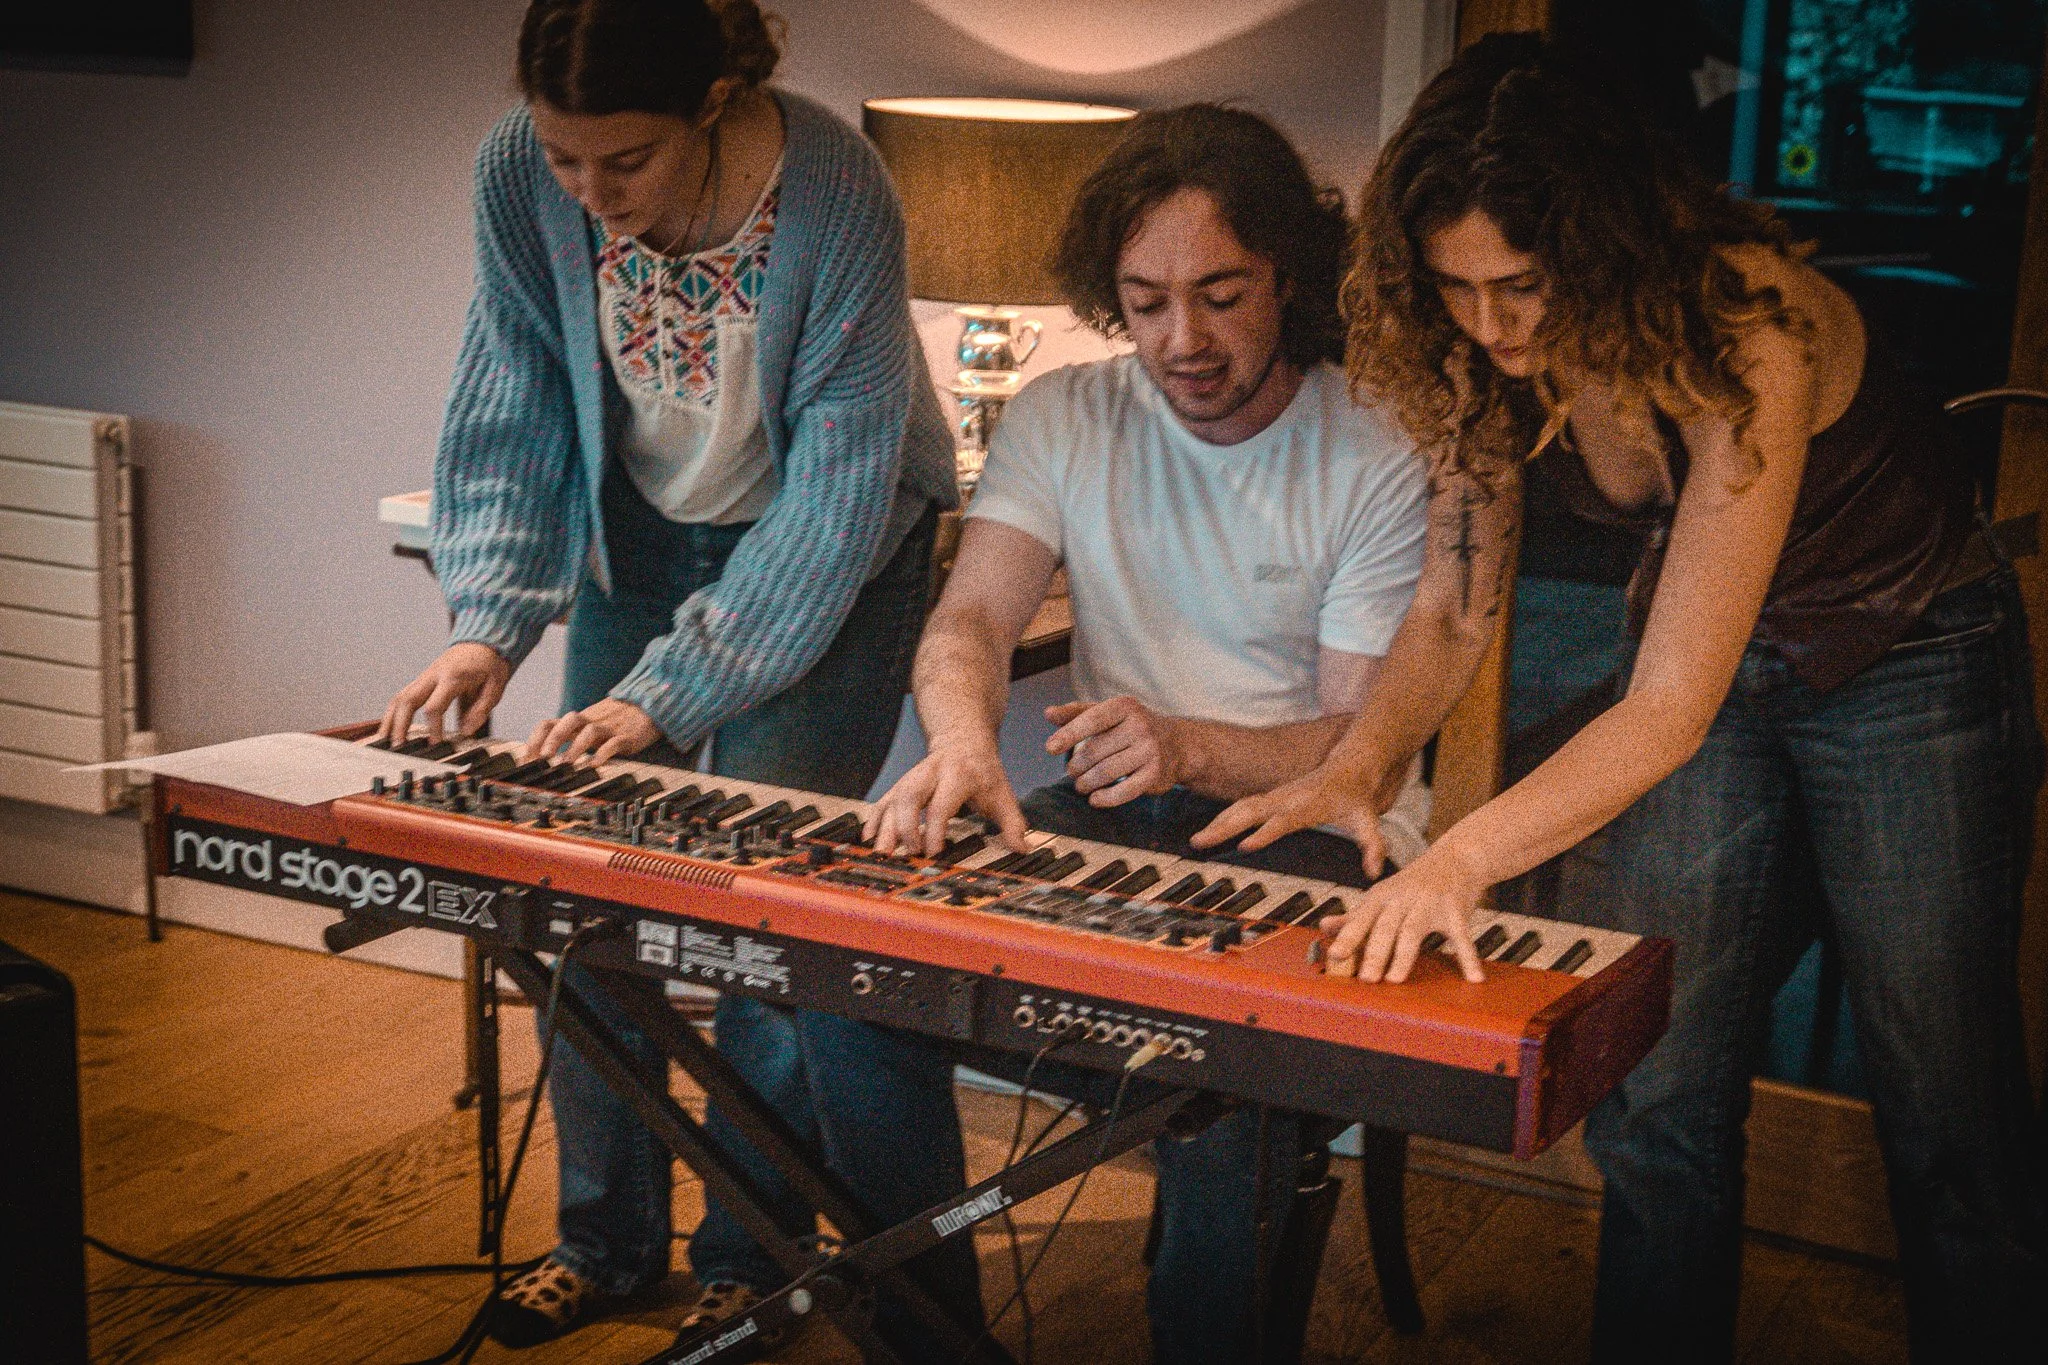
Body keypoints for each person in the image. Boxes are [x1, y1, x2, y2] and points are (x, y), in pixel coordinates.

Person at [1193, 35, 2048, 1360]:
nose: (1490, 325)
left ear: (1604, 245)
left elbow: (1663, 713)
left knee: (1945, 1105)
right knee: (1655, 1081)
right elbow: (1455, 606)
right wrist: (1360, 764)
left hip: (1907, 656)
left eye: (1522, 286)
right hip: (1706, 662)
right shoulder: (1471, 352)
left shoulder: (1746, 327)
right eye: (1455, 286)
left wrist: (1458, 861)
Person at [374, 0, 979, 1354]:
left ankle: (751, 1255)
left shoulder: (836, 191)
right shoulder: (518, 174)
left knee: (754, 912)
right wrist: (490, 623)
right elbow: (515, 390)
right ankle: (604, 1241)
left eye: (627, 160)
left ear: (713, 100)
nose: (589, 193)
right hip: (639, 533)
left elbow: (836, 490)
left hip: (836, 546)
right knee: (589, 886)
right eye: (564, 157)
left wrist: (666, 694)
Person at [866, 104, 1430, 1363]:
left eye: (1220, 296)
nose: (1183, 339)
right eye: (1145, 301)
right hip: (1119, 818)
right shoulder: (1064, 413)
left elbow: (1360, 746)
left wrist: (1187, 746)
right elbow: (969, 624)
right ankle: (926, 1339)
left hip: (1311, 831)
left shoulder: (1375, 442)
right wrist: (959, 743)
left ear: (1286, 274)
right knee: (860, 991)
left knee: (1220, 1070)